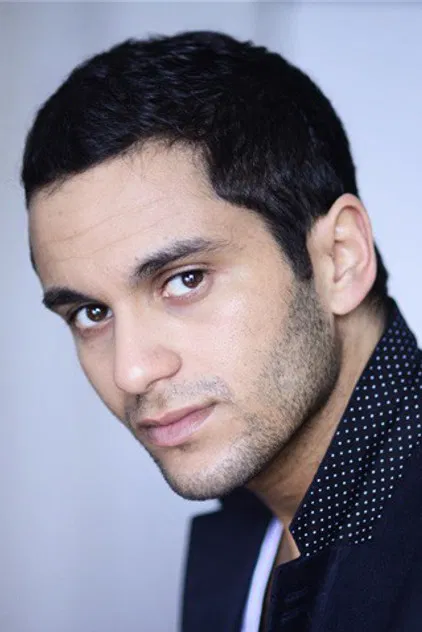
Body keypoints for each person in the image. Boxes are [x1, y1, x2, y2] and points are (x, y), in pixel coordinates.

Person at [21, 31, 422, 632]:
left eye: (185, 280)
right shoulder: (247, 536)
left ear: (340, 259)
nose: (131, 371)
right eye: (91, 313)